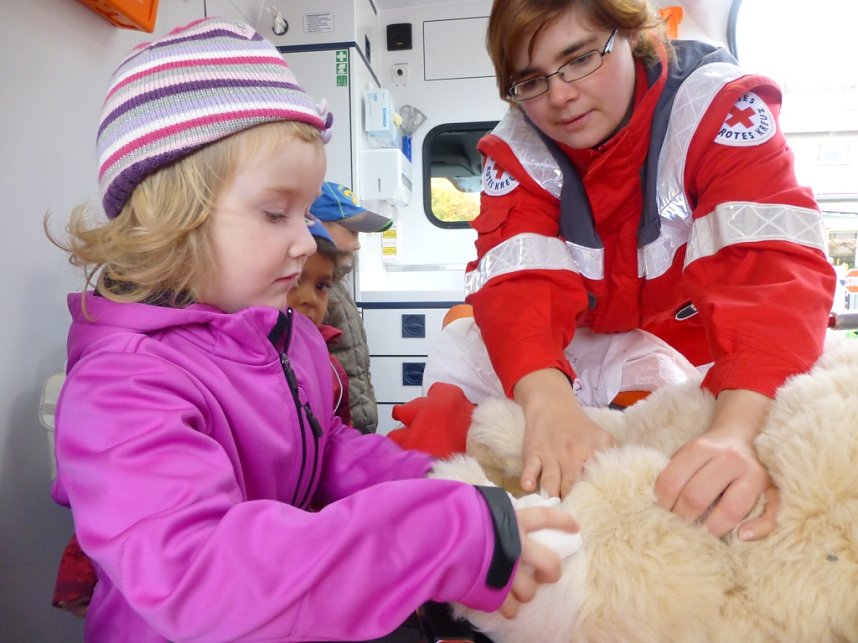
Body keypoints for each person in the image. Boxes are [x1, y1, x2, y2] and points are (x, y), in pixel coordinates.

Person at [49, 17, 577, 642]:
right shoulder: (121, 387)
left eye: (305, 213)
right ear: (172, 217)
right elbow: (199, 578)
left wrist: (445, 485)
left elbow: (324, 450)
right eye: (277, 213)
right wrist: (441, 535)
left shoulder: (285, 337)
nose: (306, 242)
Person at [462, 0, 836, 541]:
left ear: (631, 32)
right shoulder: (516, 149)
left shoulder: (718, 108)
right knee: (449, 414)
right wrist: (546, 402)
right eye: (532, 80)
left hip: (720, 357)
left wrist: (738, 430)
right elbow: (516, 284)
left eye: (580, 58)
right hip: (577, 354)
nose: (560, 96)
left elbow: (769, 270)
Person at [311, 181, 393, 433]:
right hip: (338, 427)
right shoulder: (315, 292)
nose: (358, 245)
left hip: (357, 421)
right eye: (352, 232)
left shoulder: (337, 284)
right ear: (319, 225)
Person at [288, 222, 353, 425]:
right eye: (295, 281)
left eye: (322, 286)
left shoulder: (330, 367)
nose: (310, 299)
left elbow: (338, 430)